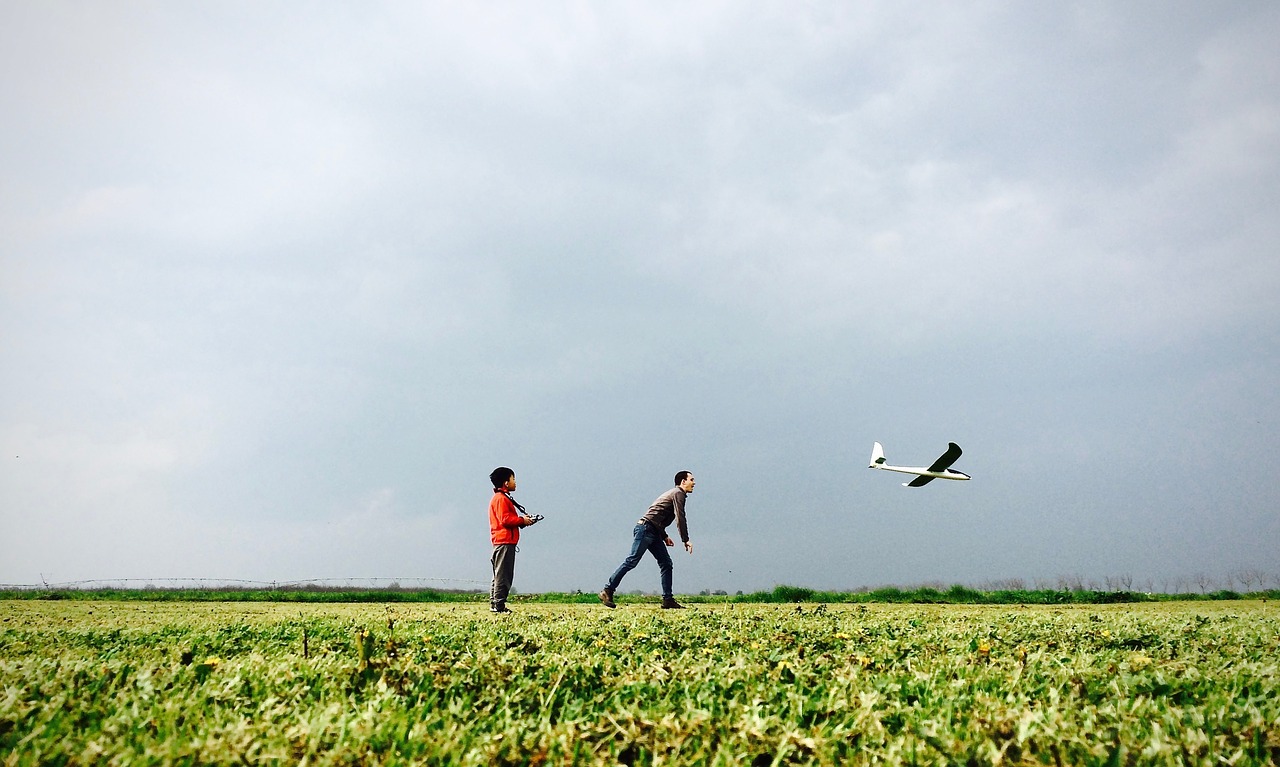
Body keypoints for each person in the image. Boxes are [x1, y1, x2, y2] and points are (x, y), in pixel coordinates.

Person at [599, 471, 695, 609]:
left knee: (666, 563)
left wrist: (664, 536)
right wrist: (685, 539)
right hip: (645, 529)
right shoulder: (678, 493)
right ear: (683, 482)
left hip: (653, 531)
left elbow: (657, 516)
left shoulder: (674, 494)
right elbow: (680, 517)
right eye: (691, 479)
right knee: (632, 561)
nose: (694, 482)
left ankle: (668, 600)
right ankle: (607, 590)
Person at [488, 466, 538, 613]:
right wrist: (521, 520)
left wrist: (522, 521)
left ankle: (495, 604)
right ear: (505, 482)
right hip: (505, 541)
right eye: (513, 479)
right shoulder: (501, 499)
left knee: (498, 575)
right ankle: (499, 605)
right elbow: (505, 520)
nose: (515, 482)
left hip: (501, 541)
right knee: (504, 576)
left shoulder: (499, 498)